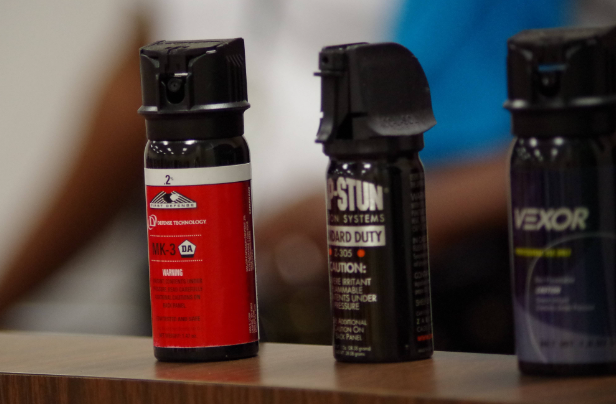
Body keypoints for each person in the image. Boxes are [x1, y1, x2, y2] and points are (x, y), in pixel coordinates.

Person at [1, 0, 600, 352]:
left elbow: (583, 111)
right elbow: (135, 92)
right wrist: (11, 292)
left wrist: (396, 204)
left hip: (437, 289)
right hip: (219, 293)